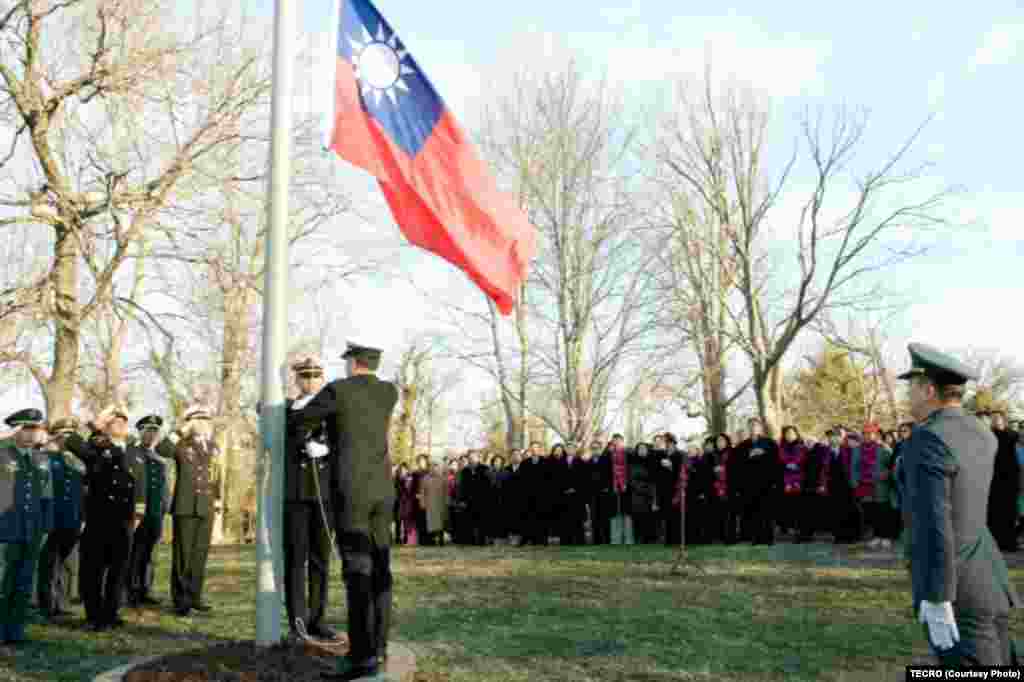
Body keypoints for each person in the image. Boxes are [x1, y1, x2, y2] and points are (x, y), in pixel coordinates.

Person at [899, 342, 1019, 665]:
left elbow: (934, 524)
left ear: (927, 389)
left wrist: (937, 597)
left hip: (956, 589)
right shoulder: (983, 434)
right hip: (989, 577)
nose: (907, 395)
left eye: (911, 387)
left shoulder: (926, 440)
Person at [289, 338, 399, 681]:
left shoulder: (338, 391)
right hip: (382, 490)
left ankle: (361, 656)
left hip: (351, 492)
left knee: (357, 571)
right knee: (381, 567)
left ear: (353, 363)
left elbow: (302, 419)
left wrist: (312, 432)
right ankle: (379, 646)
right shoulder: (388, 392)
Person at [62, 406, 137, 631]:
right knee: (93, 571)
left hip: (122, 521)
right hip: (99, 519)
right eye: (115, 422)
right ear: (106, 428)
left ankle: (111, 613)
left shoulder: (130, 451)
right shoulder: (96, 449)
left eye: (123, 422)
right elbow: (74, 442)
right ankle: (94, 616)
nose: (120, 425)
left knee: (117, 571)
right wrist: (95, 424)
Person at [283, 358, 337, 642]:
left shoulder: (332, 408)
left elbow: (343, 440)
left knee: (320, 559)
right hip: (296, 495)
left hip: (324, 493)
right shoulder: (287, 408)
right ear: (298, 380)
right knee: (296, 559)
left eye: (317, 377)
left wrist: (327, 448)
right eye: (306, 377)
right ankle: (298, 621)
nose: (312, 382)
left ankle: (318, 619)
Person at [0, 409, 51, 645]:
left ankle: (16, 631)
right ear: (16, 430)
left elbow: (47, 496)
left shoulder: (41, 459)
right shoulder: (3, 455)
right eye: (26, 428)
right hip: (6, 530)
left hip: (32, 530)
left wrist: (45, 527)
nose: (31, 434)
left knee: (23, 582)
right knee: (4, 583)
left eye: (35, 429)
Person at [169, 404, 222, 617]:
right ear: (191, 422)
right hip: (185, 506)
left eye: (205, 420)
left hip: (205, 506)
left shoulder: (212, 446)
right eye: (198, 421)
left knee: (200, 554)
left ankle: (195, 596)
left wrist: (217, 500)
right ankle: (181, 600)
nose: (203, 424)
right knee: (183, 555)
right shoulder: (181, 444)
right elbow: (163, 447)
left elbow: (216, 473)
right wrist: (182, 429)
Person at [36, 417, 86, 620]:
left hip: (72, 519)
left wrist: (82, 518)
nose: (67, 437)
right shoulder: (45, 458)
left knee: (66, 564)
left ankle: (63, 602)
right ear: (55, 434)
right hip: (52, 519)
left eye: (71, 433)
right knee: (49, 562)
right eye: (63, 433)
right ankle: (47, 604)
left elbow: (82, 493)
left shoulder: (77, 462)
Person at [125, 415, 174, 608]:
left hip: (156, 512)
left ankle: (145, 589)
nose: (151, 435)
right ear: (140, 432)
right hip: (138, 512)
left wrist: (165, 505)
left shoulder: (160, 456)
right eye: (148, 431)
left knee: (149, 553)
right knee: (134, 552)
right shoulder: (132, 452)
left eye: (155, 431)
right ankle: (130, 591)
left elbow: (163, 484)